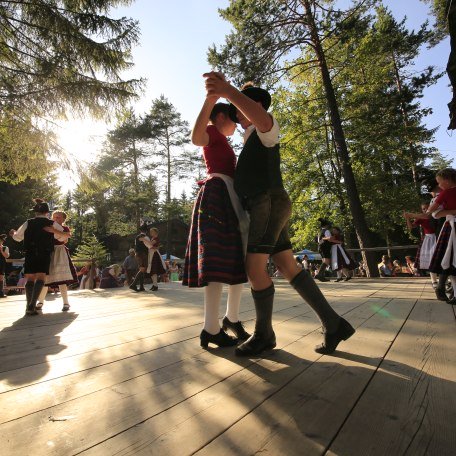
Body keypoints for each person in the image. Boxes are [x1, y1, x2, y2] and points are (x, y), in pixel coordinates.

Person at [204, 72, 355, 356]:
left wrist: (227, 90)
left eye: (240, 108)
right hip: (268, 204)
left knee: (254, 269)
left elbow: (259, 117)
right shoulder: (251, 136)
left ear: (256, 105)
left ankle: (264, 335)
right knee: (287, 265)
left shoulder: (267, 126)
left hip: (267, 203)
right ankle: (333, 323)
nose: (236, 115)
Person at [183, 98, 250, 349]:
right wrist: (210, 99)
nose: (236, 123)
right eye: (233, 118)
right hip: (217, 195)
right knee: (217, 261)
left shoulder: (223, 139)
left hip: (230, 196)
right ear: (221, 117)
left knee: (235, 260)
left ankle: (231, 319)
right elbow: (195, 137)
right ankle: (211, 328)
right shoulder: (211, 130)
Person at [11, 198, 68, 315]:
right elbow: (63, 237)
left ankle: (28, 306)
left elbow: (18, 237)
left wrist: (13, 234)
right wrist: (53, 231)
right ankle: (32, 304)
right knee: (41, 278)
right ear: (47, 212)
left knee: (30, 278)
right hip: (44, 253)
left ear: (35, 212)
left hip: (30, 252)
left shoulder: (28, 222)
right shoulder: (51, 223)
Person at [36, 210, 78, 312]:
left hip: (60, 253)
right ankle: (40, 301)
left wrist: (54, 231)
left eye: (58, 217)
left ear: (63, 219)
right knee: (45, 278)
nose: (55, 219)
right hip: (48, 253)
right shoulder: (47, 227)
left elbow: (65, 239)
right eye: (54, 217)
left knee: (62, 279)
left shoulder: (64, 228)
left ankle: (66, 303)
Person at [426, 168, 456, 304]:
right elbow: (432, 213)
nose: (439, 185)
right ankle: (449, 290)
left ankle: (443, 287)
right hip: (451, 226)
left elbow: (430, 211)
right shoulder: (445, 193)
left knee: (450, 260)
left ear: (448, 179)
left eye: (440, 182)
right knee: (450, 260)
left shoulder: (445, 193)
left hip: (451, 227)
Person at [404, 201, 437, 286]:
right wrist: (407, 218)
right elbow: (411, 227)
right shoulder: (421, 217)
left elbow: (428, 216)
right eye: (423, 209)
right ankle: (434, 281)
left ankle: (444, 280)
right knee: (430, 260)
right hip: (428, 239)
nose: (425, 210)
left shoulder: (435, 214)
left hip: (438, 236)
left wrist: (411, 214)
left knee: (440, 258)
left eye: (427, 208)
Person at [129, 224, 149, 292]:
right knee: (142, 269)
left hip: (137, 254)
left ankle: (141, 286)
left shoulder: (137, 237)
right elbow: (148, 246)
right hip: (142, 254)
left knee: (141, 270)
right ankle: (133, 284)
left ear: (140, 230)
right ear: (146, 231)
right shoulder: (145, 237)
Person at [0, 234, 10, 298]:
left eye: (1, 241)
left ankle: (1, 293)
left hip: (1, 264)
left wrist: (1, 251)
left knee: (1, 278)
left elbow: (7, 256)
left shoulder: (5, 247)